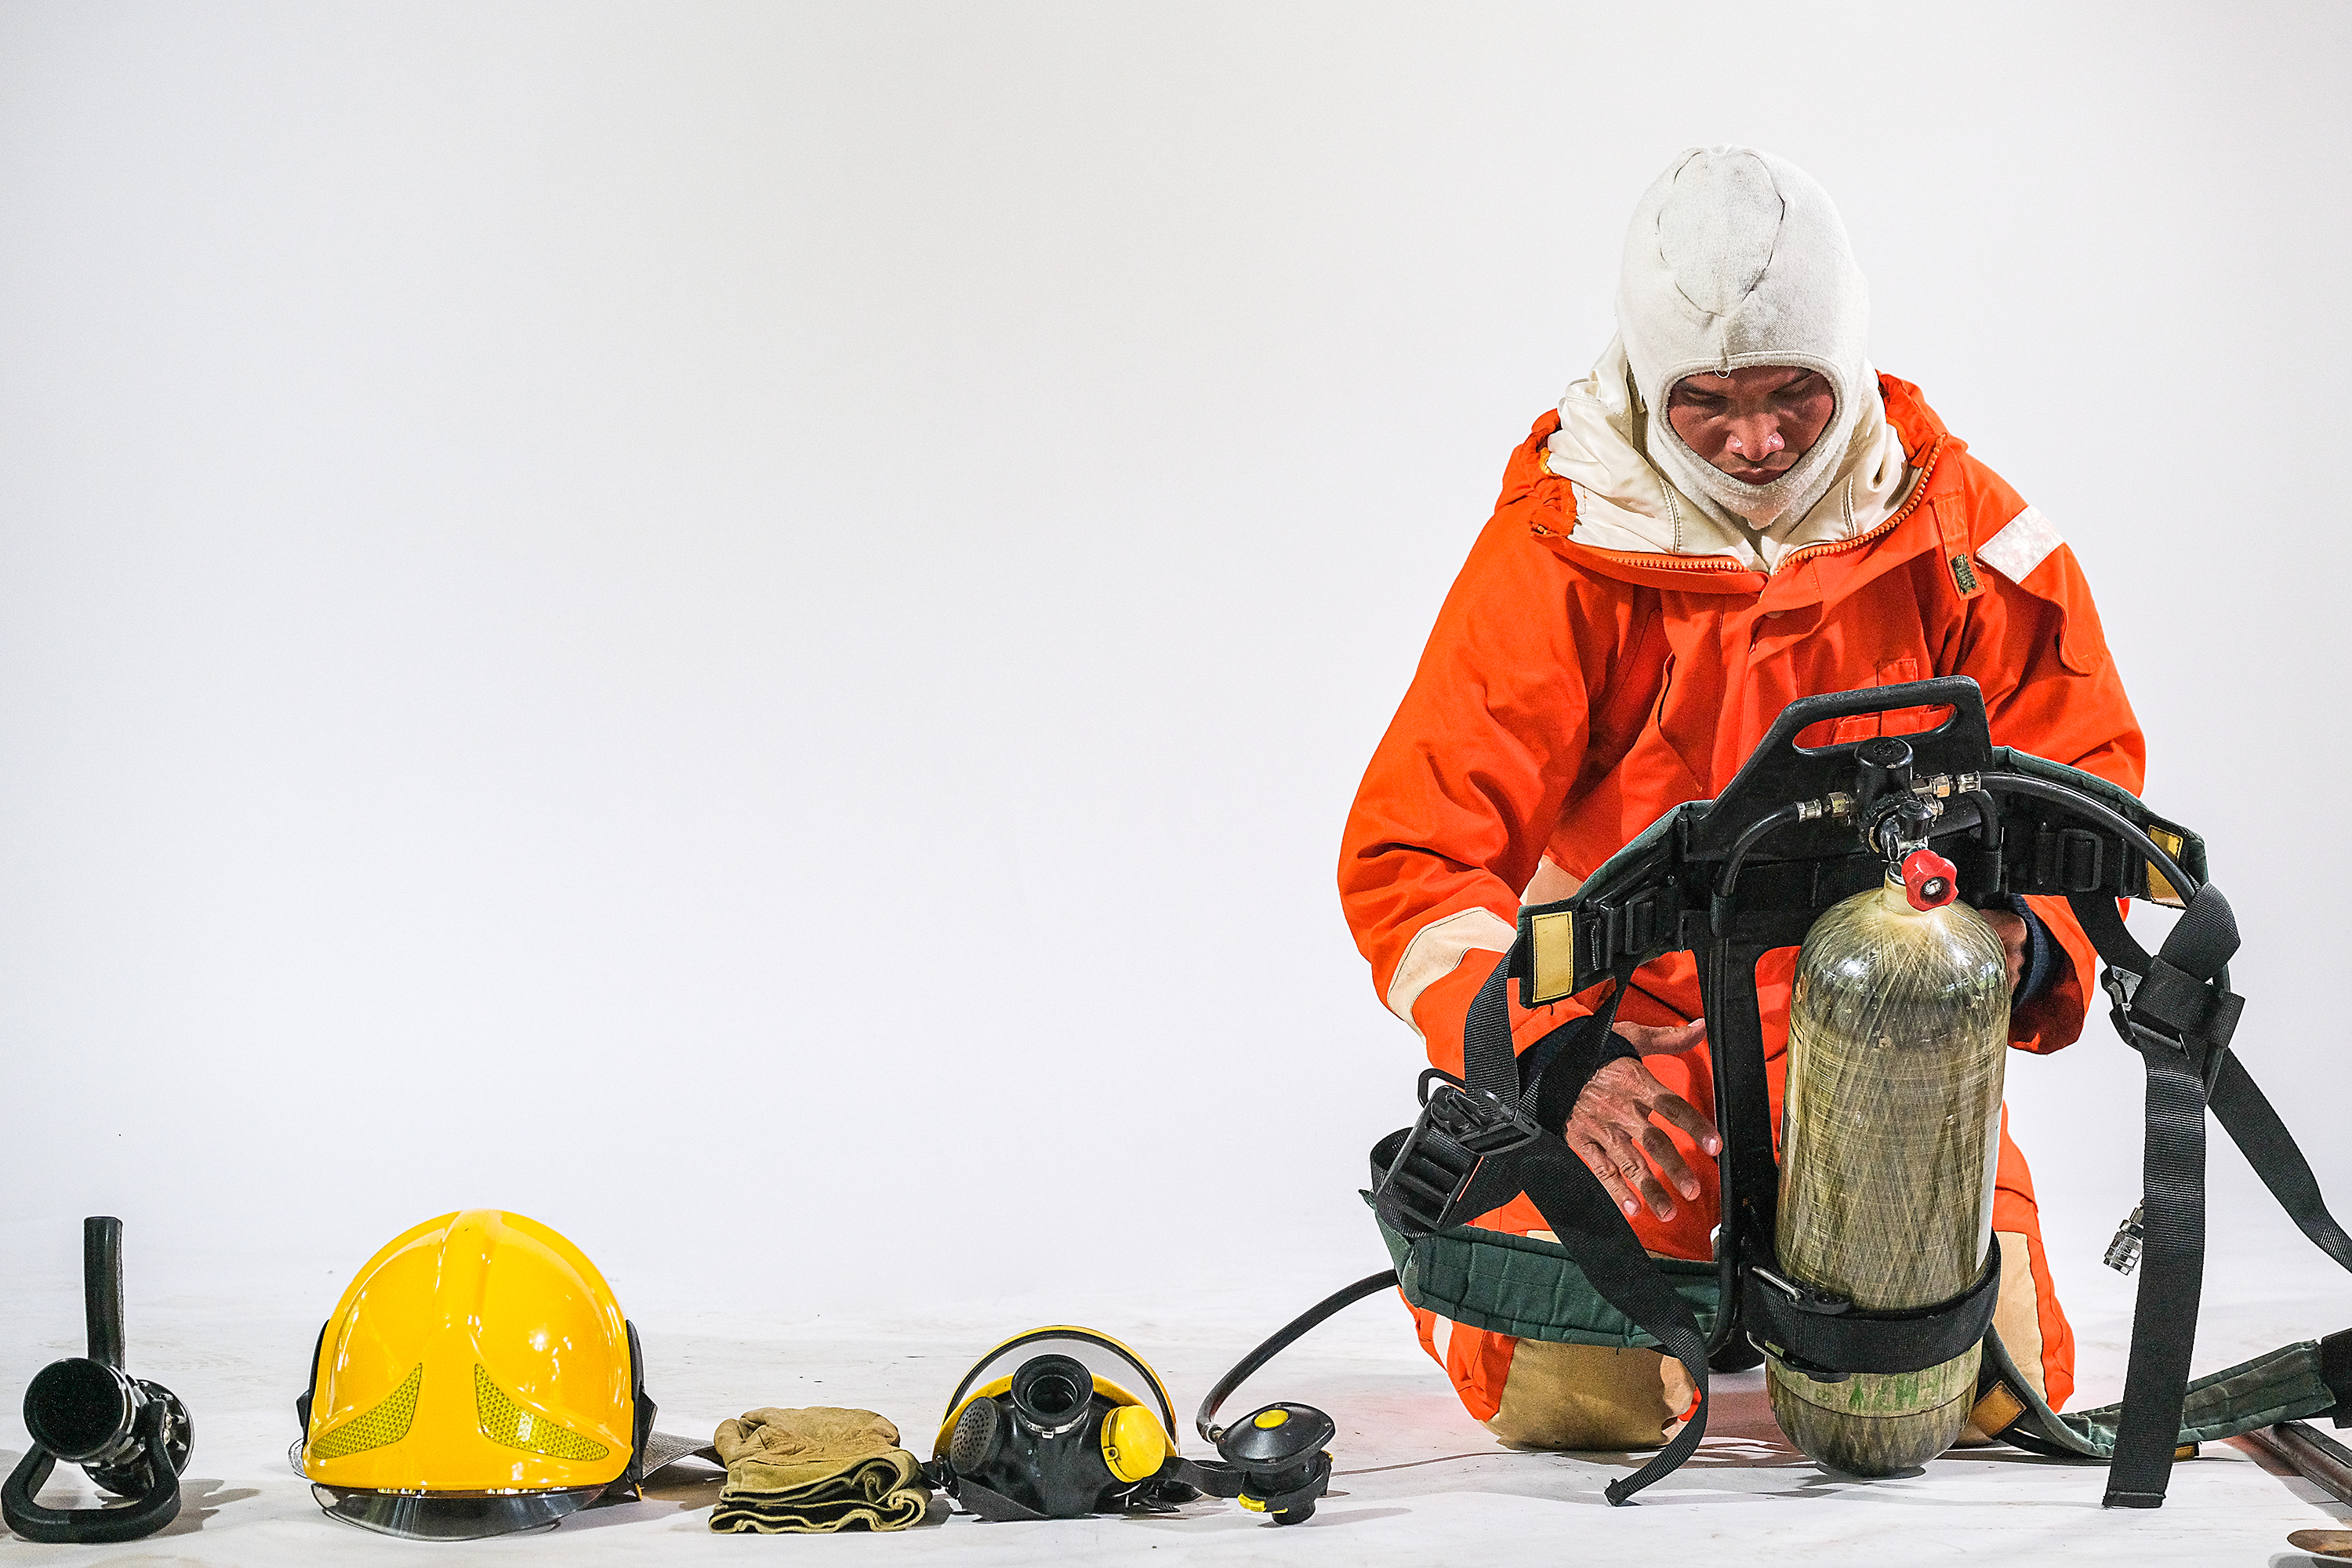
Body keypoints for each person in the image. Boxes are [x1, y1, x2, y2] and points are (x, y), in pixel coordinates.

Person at [1338, 146, 2141, 1452]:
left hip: (1882, 1041)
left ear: (1851, 363)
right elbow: (1413, 861)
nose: (1756, 440)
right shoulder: (1561, 549)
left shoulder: (1967, 536)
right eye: (1707, 399)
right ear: (1651, 387)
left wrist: (2027, 934)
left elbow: (2083, 782)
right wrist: (1547, 1060)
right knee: (1571, 1397)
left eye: (1795, 395)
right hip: (1633, 1042)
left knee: (1988, 1393)